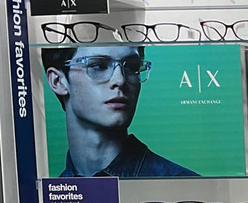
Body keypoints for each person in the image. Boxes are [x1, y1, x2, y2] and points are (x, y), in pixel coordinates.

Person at [44, 45, 197, 177]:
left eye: (131, 67)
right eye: (98, 66)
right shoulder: (49, 195)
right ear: (58, 81)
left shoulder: (182, 184)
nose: (120, 80)